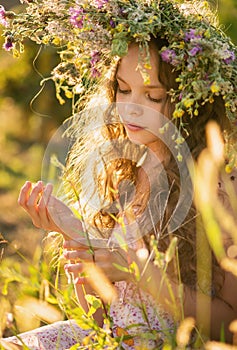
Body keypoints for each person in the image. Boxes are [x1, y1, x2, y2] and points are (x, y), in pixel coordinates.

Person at [1, 0, 237, 349]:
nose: (131, 106)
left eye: (153, 95)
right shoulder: (123, 174)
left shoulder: (219, 190)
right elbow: (105, 320)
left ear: (191, 101)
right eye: (123, 90)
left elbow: (230, 322)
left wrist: (144, 276)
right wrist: (81, 246)